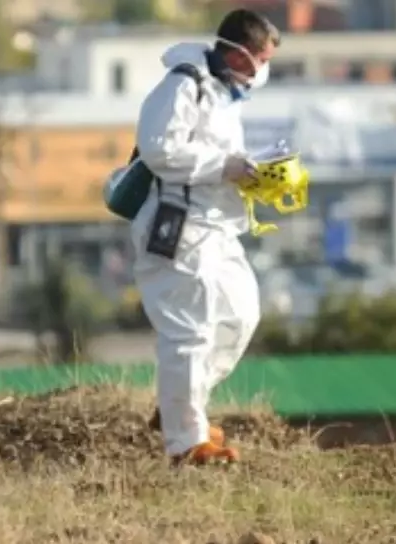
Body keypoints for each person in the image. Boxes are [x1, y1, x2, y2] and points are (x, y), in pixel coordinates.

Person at [131, 9, 280, 466]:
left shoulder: (227, 93)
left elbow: (216, 155)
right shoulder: (182, 84)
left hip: (217, 224)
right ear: (237, 53)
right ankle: (186, 444)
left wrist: (251, 174)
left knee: (240, 313)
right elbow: (159, 149)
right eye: (259, 58)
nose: (263, 68)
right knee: (190, 329)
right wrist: (224, 167)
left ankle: (180, 406)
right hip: (179, 225)